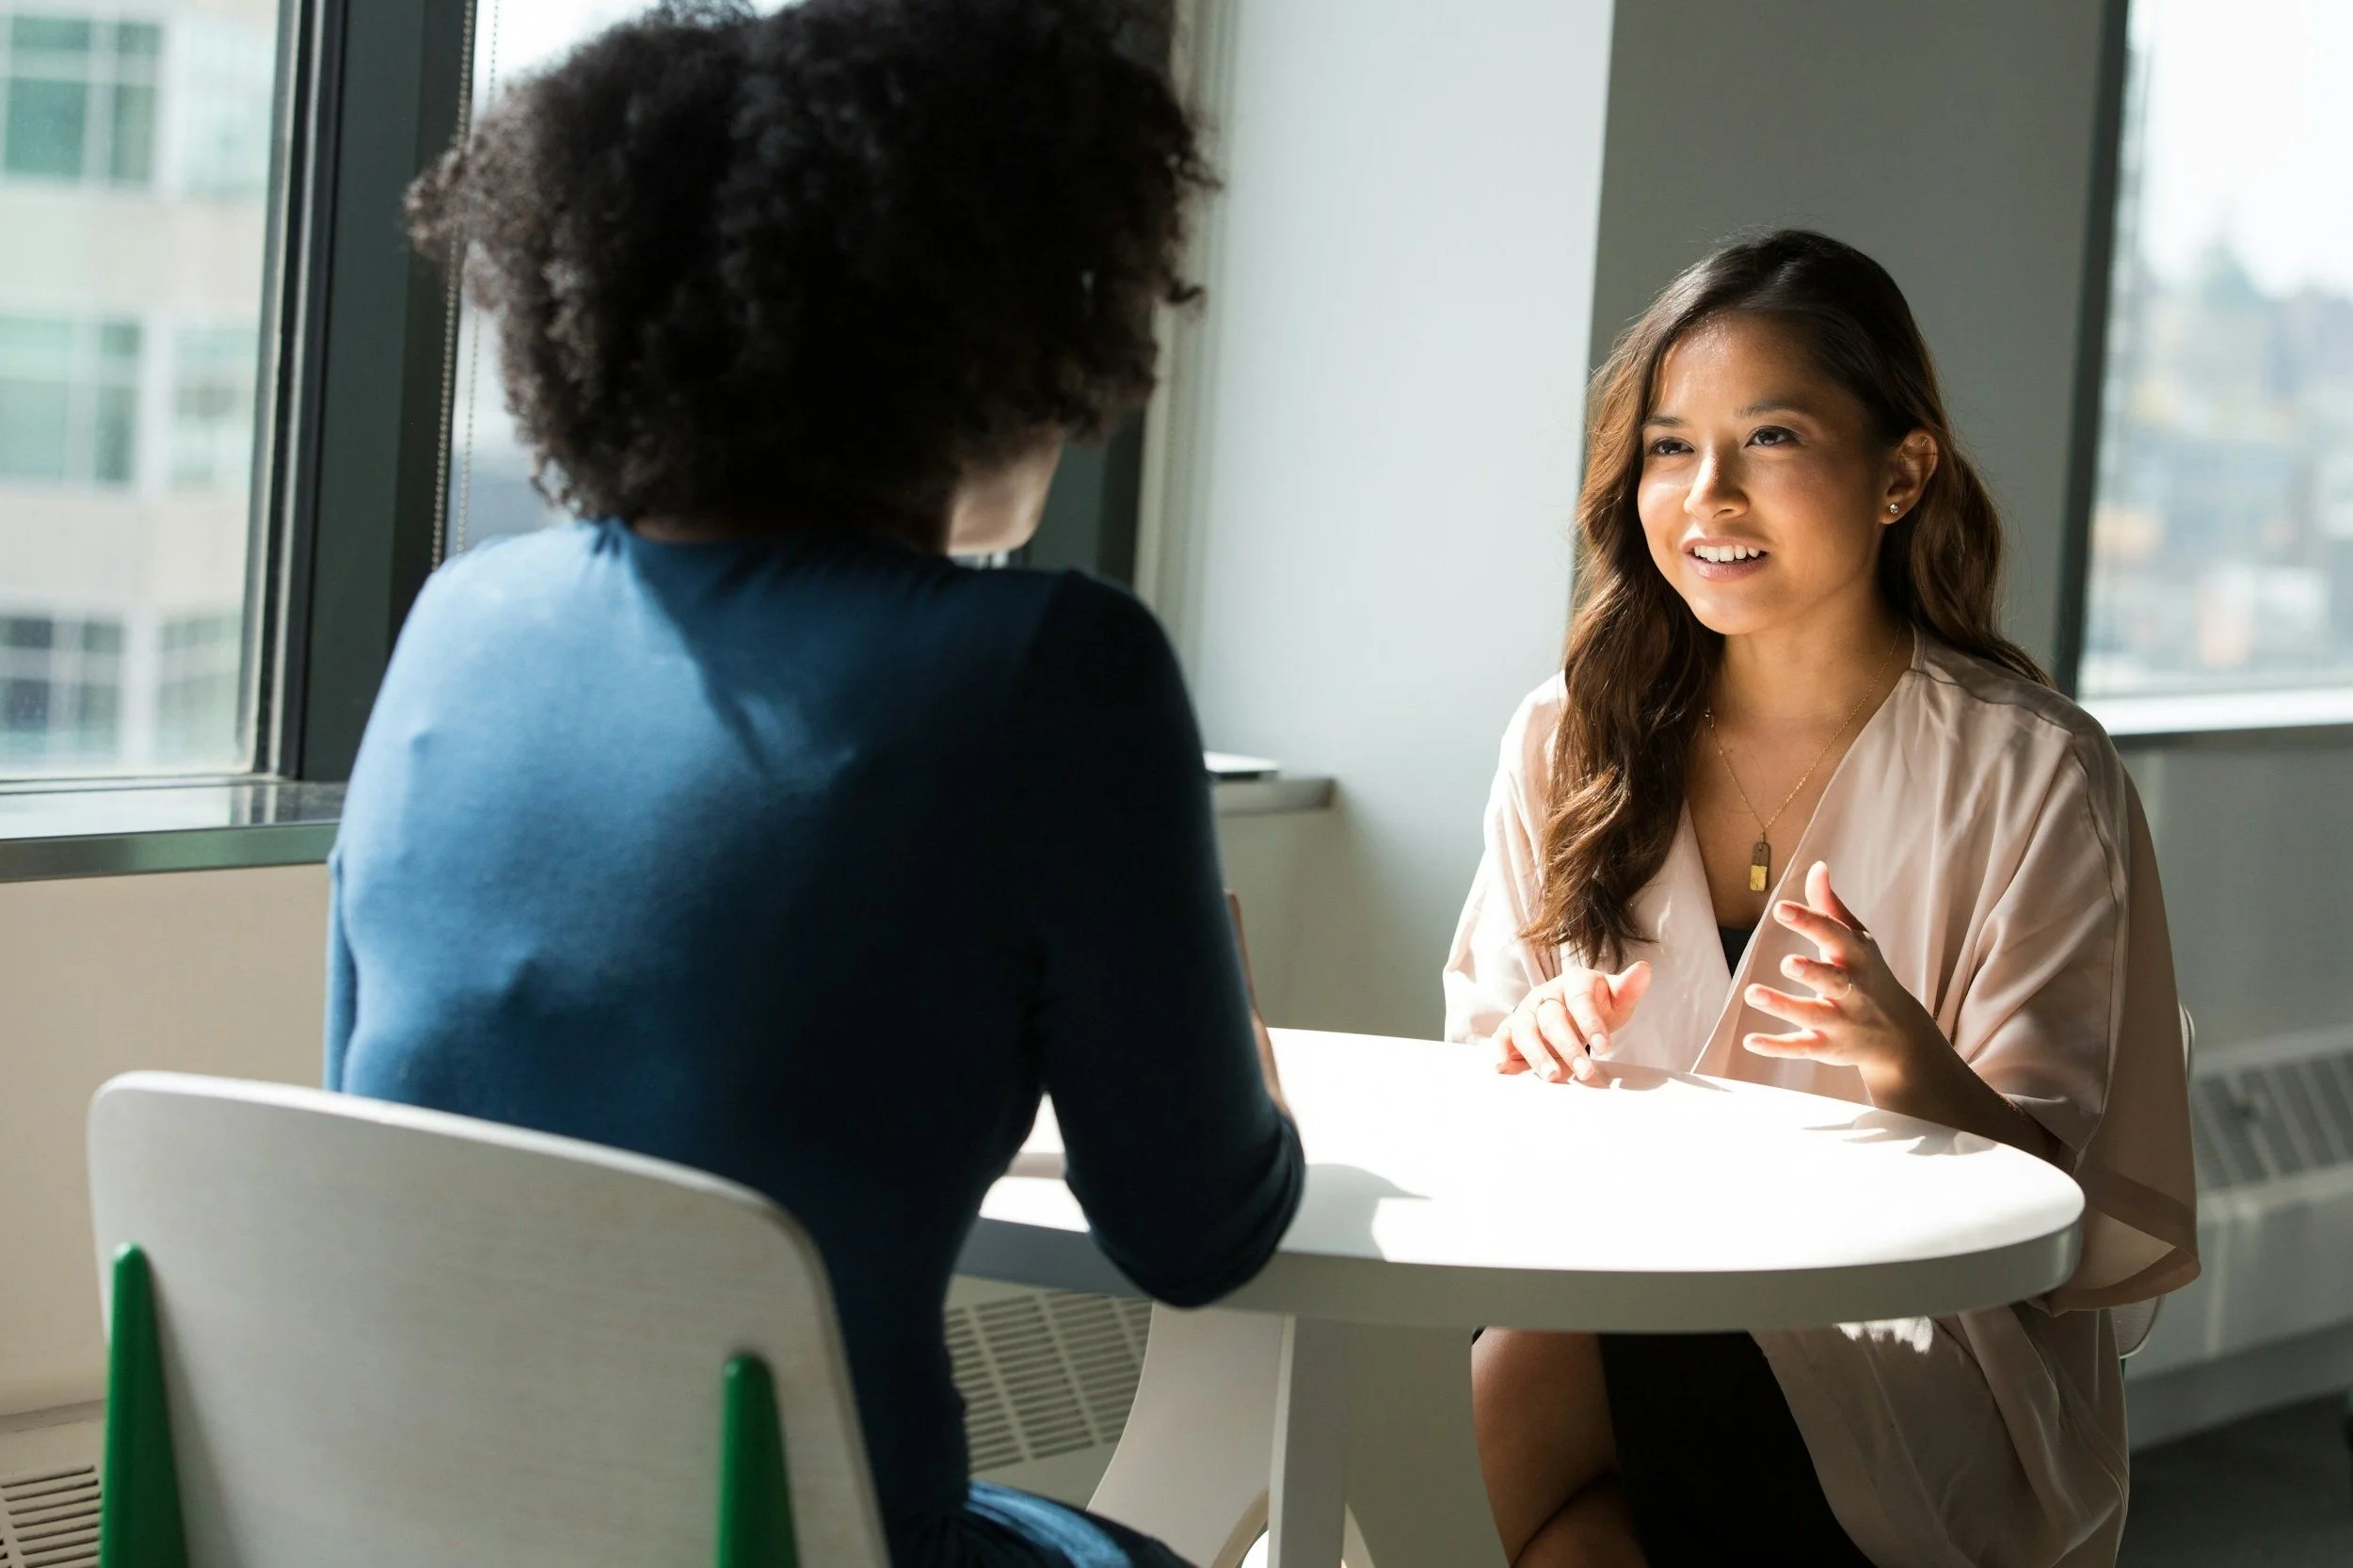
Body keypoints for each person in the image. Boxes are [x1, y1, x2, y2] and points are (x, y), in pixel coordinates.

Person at [328, 4, 1305, 1565]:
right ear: (992, 331)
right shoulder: (1055, 666)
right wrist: (1233, 1071)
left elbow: (385, 1128)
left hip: (410, 1530)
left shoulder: (459, 626)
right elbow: (1197, 1234)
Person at [1445, 231, 2198, 1568]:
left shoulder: (2031, 771)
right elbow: (1474, 1093)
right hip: (1608, 1295)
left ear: (1901, 474)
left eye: (1771, 438)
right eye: (1670, 447)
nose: (1707, 494)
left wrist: (1918, 1073)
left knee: (1509, 1386)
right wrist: (1528, 1044)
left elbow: (2060, 1221)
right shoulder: (1566, 738)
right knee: (1569, 1538)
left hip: (1921, 1365)